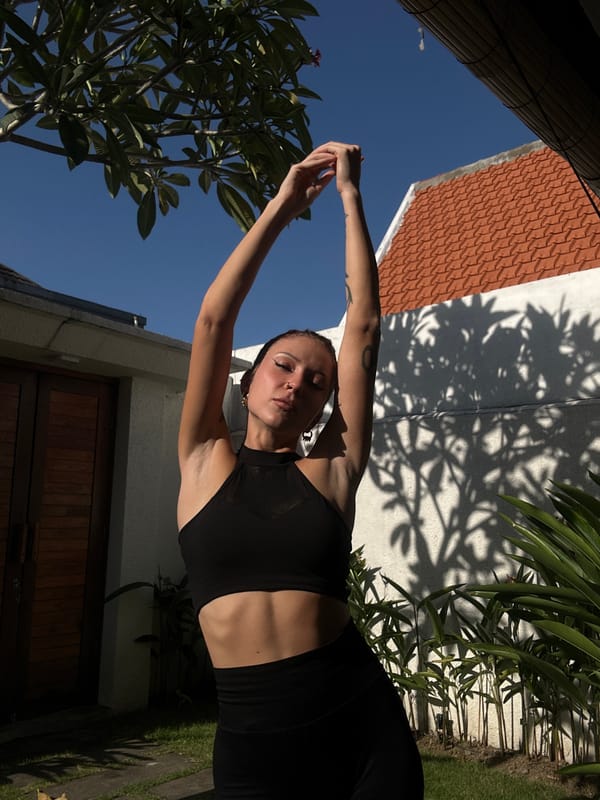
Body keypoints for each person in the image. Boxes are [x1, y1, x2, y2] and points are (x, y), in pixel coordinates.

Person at [177, 142, 424, 799]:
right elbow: (213, 320)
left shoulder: (332, 470)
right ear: (250, 377)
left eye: (317, 382)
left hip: (356, 720)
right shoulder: (203, 458)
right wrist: (283, 207)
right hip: (250, 737)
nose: (296, 383)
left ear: (323, 407)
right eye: (282, 366)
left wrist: (350, 197)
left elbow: (363, 326)